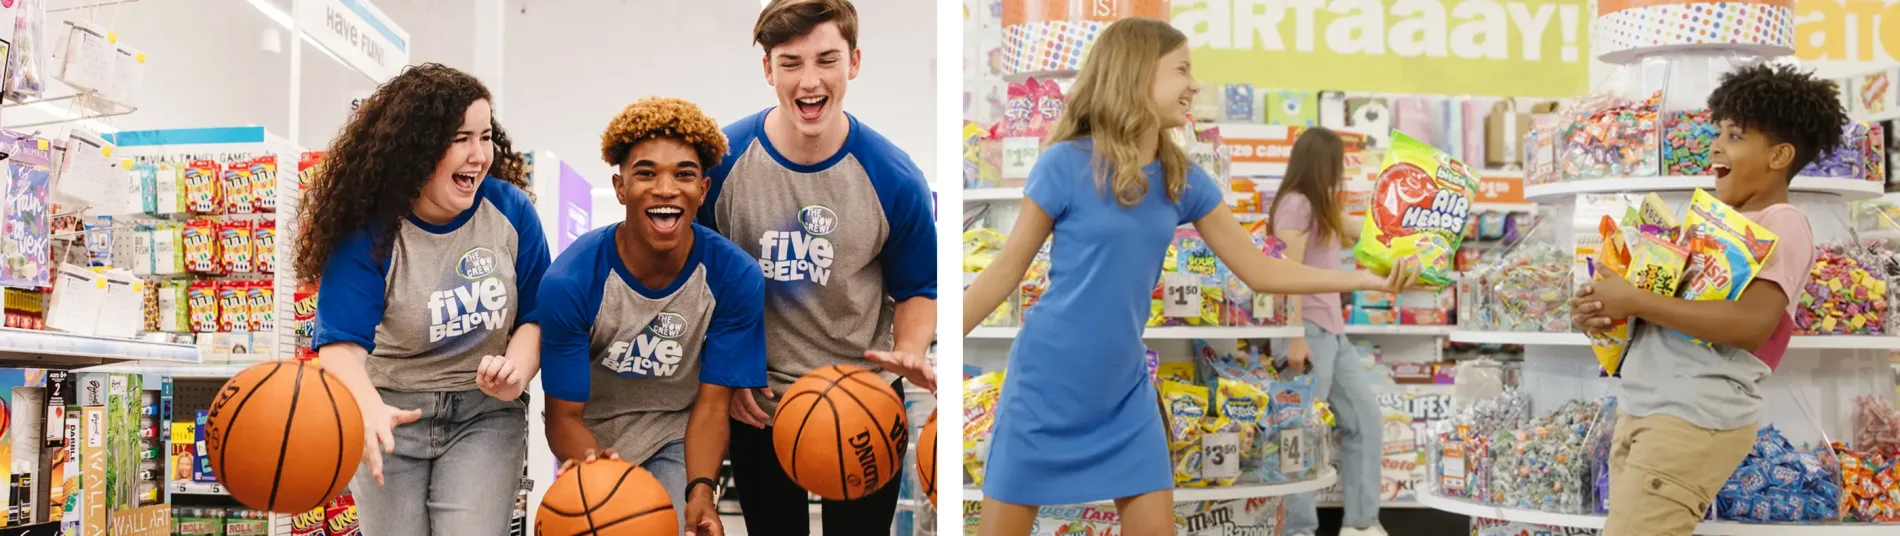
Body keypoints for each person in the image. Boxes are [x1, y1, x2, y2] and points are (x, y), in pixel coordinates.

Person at [961, 18, 1421, 536]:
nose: (1195, 85)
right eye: (1182, 70)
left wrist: (1366, 281)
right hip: (1045, 386)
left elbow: (1259, 270)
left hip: (1124, 392)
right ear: (1136, 76)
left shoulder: (1183, 179)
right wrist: (934, 346)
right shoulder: (1065, 165)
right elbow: (1004, 272)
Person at [1571, 63, 1841, 536]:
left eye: (1735, 136)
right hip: (1648, 407)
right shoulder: (1709, 224)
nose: (1716, 145)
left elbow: (1750, 324)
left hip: (1692, 419)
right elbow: (1671, 315)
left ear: (1779, 155)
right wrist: (1604, 311)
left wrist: (1634, 299)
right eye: (1718, 132)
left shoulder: (1782, 223)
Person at [700, 0, 938, 532]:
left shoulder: (894, 177)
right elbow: (701, 287)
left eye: (827, 60)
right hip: (759, 401)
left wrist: (909, 351)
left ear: (853, 62)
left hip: (865, 399)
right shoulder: (721, 163)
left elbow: (920, 287)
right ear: (768, 69)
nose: (810, 80)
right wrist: (729, 371)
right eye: (791, 63)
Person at [301, 63, 549, 536]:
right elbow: (340, 348)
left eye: (485, 136)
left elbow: (536, 315)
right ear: (415, 150)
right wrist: (368, 407)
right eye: (460, 139)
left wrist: (516, 368)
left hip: (485, 414)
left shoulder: (511, 213)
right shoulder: (371, 231)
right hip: (390, 412)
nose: (479, 155)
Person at [536, 97, 766, 536]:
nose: (665, 188)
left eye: (684, 173)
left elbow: (713, 406)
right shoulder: (571, 280)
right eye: (646, 173)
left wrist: (701, 492)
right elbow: (563, 417)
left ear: (703, 188)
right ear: (620, 187)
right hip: (592, 437)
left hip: (676, 435)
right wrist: (597, 471)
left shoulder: (735, 277)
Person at [1267, 127, 1386, 536]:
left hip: (1332, 332)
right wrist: (1294, 336)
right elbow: (1285, 275)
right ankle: (1298, 529)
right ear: (1323, 162)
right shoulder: (1297, 205)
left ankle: (1362, 524)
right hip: (1308, 331)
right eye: (1339, 162)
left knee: (1365, 421)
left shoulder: (1323, 208)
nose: (1343, 171)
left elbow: (1367, 235)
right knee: (1300, 433)